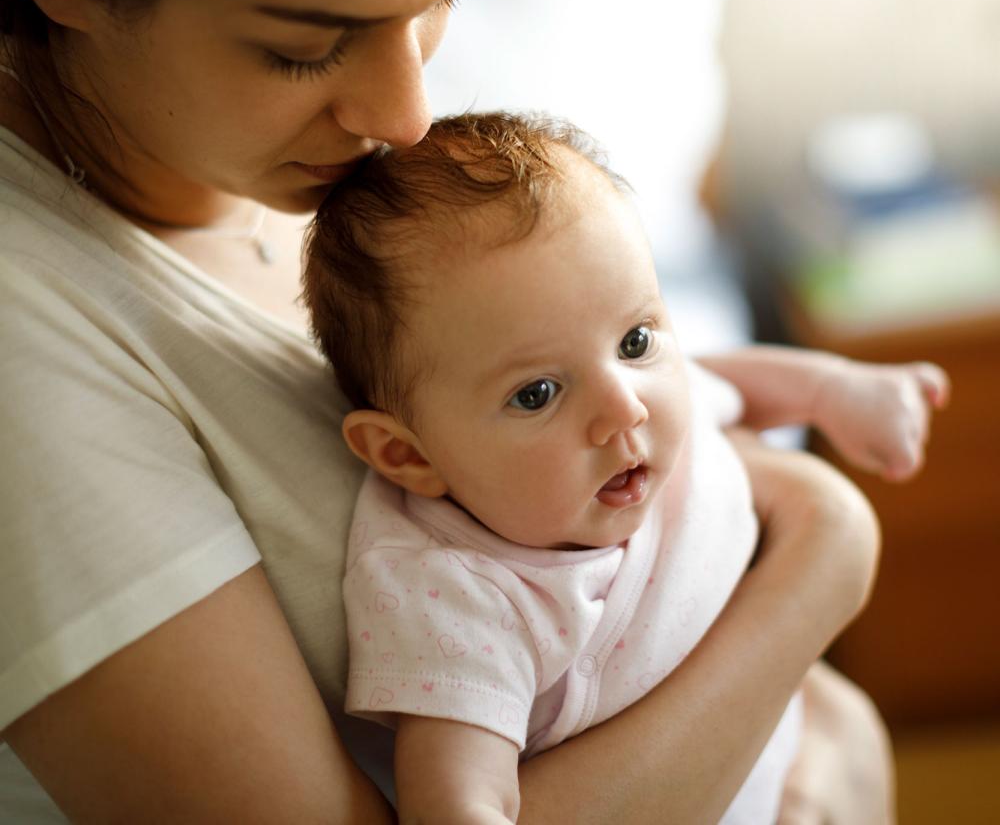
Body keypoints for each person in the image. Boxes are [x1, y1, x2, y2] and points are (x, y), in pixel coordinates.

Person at [0, 0, 895, 822]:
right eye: (303, 50)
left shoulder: (350, 186)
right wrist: (824, 555)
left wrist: (820, 722)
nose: (408, 114)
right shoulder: (30, 342)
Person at [302, 112, 948, 824]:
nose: (625, 408)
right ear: (408, 455)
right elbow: (456, 797)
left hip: (798, 765)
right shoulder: (458, 591)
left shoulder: (635, 393)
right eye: (536, 394)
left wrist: (836, 390)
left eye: (636, 338)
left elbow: (719, 383)